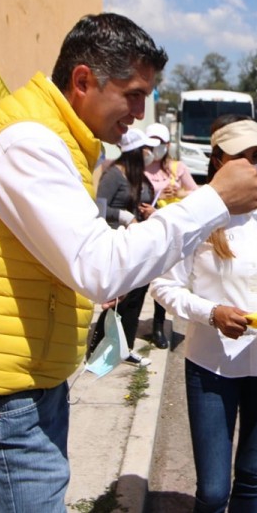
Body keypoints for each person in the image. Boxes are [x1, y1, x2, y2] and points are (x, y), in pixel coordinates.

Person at [0, 12, 257, 513]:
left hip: (19, 393)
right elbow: (98, 266)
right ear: (83, 81)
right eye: (134, 93)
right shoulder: (27, 142)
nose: (140, 114)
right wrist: (211, 201)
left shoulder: (56, 140)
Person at [151, 115, 257, 513]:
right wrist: (211, 312)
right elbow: (164, 287)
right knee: (215, 491)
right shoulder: (195, 214)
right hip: (212, 368)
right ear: (218, 160)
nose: (254, 165)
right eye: (243, 156)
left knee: (251, 478)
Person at [93, 127, 161, 366]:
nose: (151, 154)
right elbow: (100, 208)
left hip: (138, 243)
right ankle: (100, 345)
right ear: (134, 151)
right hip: (118, 243)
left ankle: (125, 346)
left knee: (136, 295)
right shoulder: (113, 175)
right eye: (147, 150)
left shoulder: (139, 176)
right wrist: (123, 216)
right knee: (119, 297)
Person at [143, 122, 199, 348]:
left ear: (167, 145)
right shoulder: (141, 167)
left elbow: (197, 193)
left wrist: (179, 192)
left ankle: (159, 325)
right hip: (145, 229)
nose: (155, 148)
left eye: (159, 143)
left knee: (163, 277)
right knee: (139, 279)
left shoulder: (178, 168)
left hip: (170, 232)